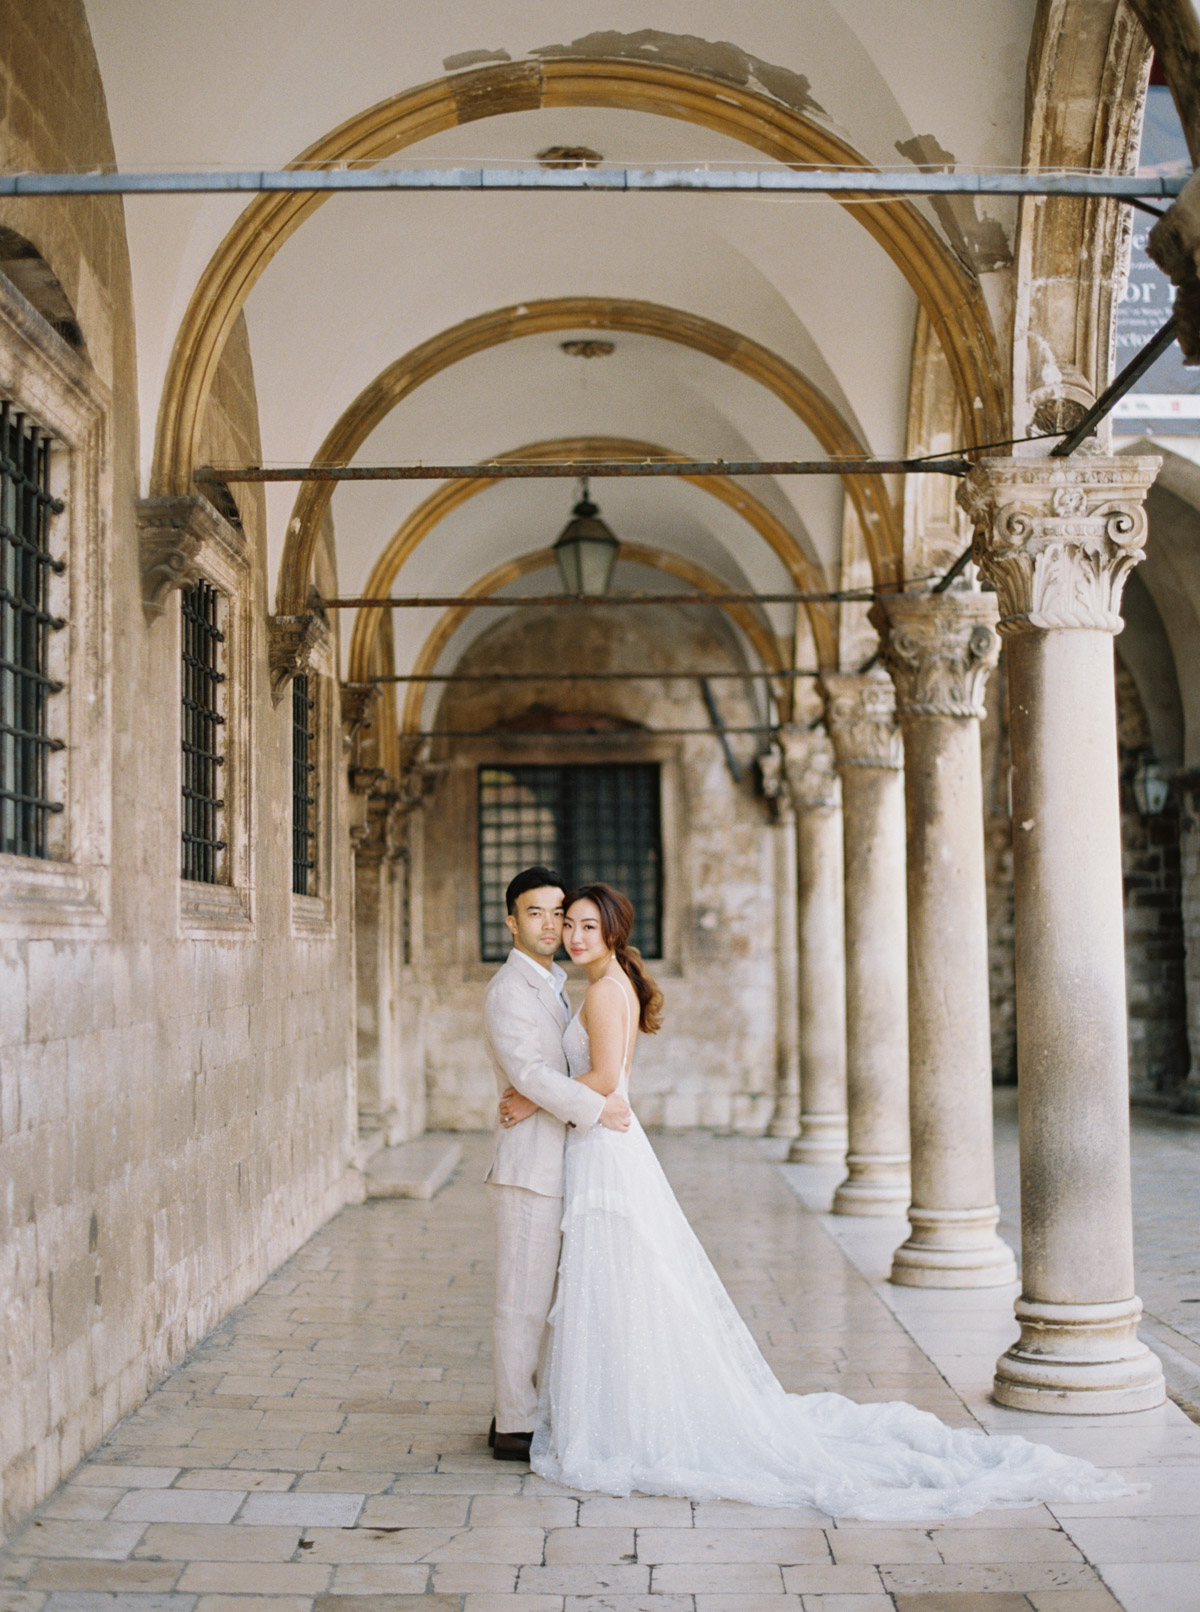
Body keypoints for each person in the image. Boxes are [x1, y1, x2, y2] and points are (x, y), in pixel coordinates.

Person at [502, 881, 1133, 1520]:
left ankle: (622, 1422)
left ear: (613, 931)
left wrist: (531, 1094)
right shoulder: (604, 987)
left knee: (617, 1276)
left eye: (587, 925)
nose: (575, 936)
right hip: (603, 1143)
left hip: (605, 1149)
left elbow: (607, 1080)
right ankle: (620, 1408)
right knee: (617, 1280)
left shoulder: (607, 992)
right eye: (569, 925)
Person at [482, 866, 631, 1462]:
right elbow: (533, 1074)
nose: (551, 925)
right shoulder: (508, 990)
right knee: (520, 1300)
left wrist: (566, 1099)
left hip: (560, 1159)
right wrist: (599, 1106)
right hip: (528, 1168)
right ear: (512, 921)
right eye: (536, 913)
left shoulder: (556, 981)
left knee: (548, 1301)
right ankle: (513, 1425)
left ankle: (527, 1407)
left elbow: (551, 1077)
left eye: (558, 913)